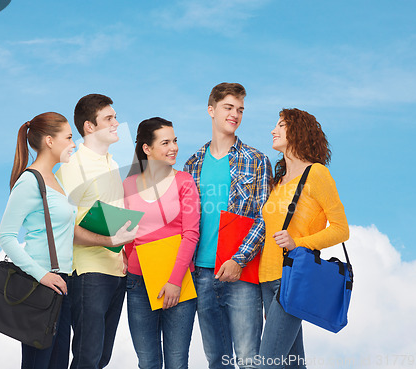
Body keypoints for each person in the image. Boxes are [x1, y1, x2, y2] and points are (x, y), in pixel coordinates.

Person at [184, 83, 273, 369]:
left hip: (242, 275)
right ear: (211, 110)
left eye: (240, 110)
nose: (235, 114)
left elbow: (265, 216)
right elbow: (186, 221)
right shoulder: (192, 163)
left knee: (249, 360)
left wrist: (238, 259)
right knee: (217, 361)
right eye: (228, 108)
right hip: (202, 274)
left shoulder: (256, 160)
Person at [258, 108, 350, 368]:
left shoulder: (317, 174)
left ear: (298, 132)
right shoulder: (278, 181)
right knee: (291, 364)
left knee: (267, 363)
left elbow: (342, 229)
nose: (273, 131)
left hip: (293, 278)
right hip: (266, 279)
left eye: (281, 125)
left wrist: (299, 243)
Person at [56, 94, 137, 369]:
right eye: (109, 119)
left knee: (101, 358)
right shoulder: (72, 167)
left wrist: (122, 249)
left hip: (116, 271)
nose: (116, 123)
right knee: (87, 358)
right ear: (90, 126)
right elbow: (62, 227)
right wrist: (109, 239)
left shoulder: (113, 164)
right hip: (88, 273)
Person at [0, 112, 76, 369]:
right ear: (50, 141)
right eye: (68, 137)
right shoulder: (30, 182)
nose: (73, 144)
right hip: (41, 286)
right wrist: (42, 275)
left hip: (62, 283)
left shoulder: (54, 181)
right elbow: (6, 237)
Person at [123, 117, 200, 369]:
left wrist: (174, 281)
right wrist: (124, 258)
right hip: (138, 283)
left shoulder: (184, 182)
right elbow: (125, 233)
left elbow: (191, 234)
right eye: (165, 142)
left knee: (177, 362)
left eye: (175, 141)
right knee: (147, 362)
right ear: (147, 148)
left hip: (178, 281)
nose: (173, 147)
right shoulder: (128, 185)